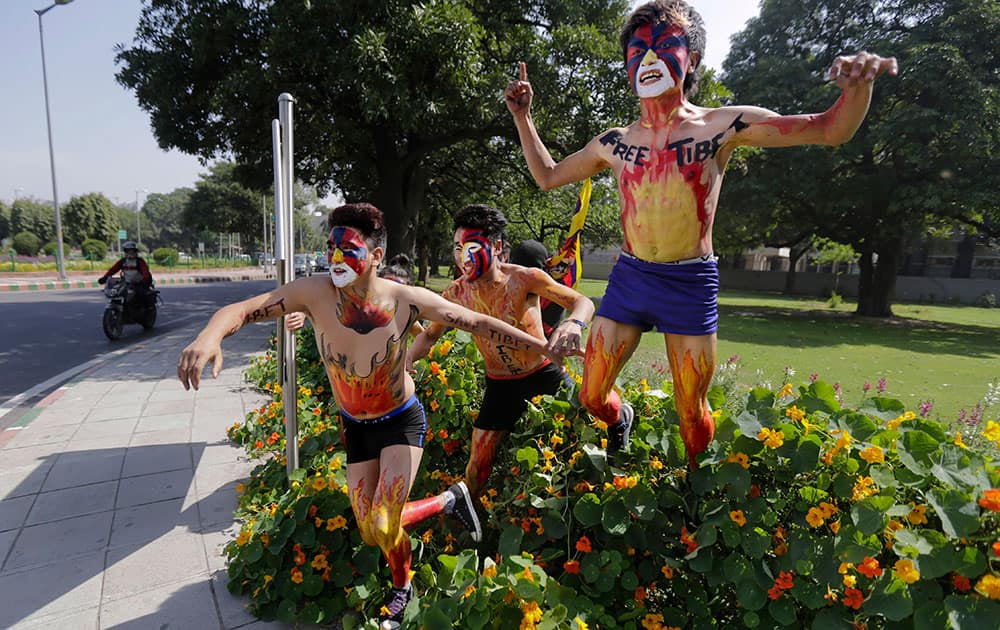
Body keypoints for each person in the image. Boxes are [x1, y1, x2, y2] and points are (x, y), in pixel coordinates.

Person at [504, 0, 897, 464]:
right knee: (591, 396)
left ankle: (693, 488)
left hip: (689, 283)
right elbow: (548, 175)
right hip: (631, 278)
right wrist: (522, 116)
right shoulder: (615, 142)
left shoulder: (720, 125)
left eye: (667, 45)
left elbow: (830, 130)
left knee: (691, 412)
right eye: (638, 49)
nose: (650, 59)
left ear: (692, 59)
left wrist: (857, 89)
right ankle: (621, 419)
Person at [176, 203, 557, 628]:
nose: (335, 259)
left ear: (376, 256)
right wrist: (209, 335)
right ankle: (450, 501)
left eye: (348, 250)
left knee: (383, 519)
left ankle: (401, 587)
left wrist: (544, 348)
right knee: (370, 531)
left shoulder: (405, 300)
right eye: (331, 249)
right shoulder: (312, 292)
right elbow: (243, 309)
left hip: (400, 421)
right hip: (355, 427)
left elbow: (475, 321)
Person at [405, 205, 595, 529]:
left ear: (495, 247)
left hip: (543, 374)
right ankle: (463, 532)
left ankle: (584, 519)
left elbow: (582, 301)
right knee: (477, 467)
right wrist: (408, 358)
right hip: (500, 386)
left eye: (472, 246)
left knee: (589, 430)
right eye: (456, 248)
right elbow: (430, 336)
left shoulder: (524, 278)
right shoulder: (455, 294)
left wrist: (575, 323)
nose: (463, 255)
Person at [508, 239, 565, 336]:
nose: (525, 280)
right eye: (520, 273)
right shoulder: (502, 287)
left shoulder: (555, 295)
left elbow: (539, 332)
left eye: (531, 274)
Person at [98, 240, 154, 305]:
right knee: (119, 293)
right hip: (127, 283)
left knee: (141, 298)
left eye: (132, 251)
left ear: (135, 251)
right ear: (125, 251)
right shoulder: (123, 261)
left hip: (139, 283)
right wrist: (105, 278)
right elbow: (113, 270)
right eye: (128, 251)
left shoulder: (140, 262)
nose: (130, 253)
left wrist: (145, 280)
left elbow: (145, 272)